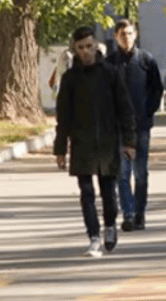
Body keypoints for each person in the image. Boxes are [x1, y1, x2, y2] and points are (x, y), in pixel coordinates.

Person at [54, 25, 138, 258]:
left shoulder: (111, 73)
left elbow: (125, 109)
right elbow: (64, 117)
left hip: (108, 144)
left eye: (89, 46)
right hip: (82, 145)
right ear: (75, 49)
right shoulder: (70, 79)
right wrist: (60, 149)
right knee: (86, 193)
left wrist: (129, 141)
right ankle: (93, 237)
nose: (85, 52)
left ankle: (110, 225)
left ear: (96, 46)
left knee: (109, 194)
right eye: (80, 48)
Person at [105, 18, 164, 232]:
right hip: (119, 128)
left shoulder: (146, 60)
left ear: (135, 35)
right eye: (122, 34)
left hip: (141, 126)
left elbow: (157, 89)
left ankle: (140, 212)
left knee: (140, 173)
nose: (126, 38)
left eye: (129, 33)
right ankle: (128, 214)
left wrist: (148, 110)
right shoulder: (109, 63)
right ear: (116, 37)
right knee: (122, 173)